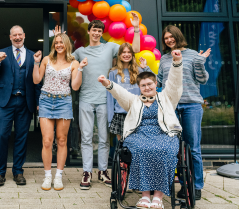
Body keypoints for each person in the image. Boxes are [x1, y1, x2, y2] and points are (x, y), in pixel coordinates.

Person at [98, 50, 184, 209]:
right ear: (139, 88)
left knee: (164, 150)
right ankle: (145, 196)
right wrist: (108, 84)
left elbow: (174, 83)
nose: (147, 87)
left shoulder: (167, 97)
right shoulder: (134, 101)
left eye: (150, 84)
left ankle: (158, 196)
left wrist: (177, 62)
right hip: (138, 134)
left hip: (164, 134)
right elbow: (121, 94)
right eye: (143, 85)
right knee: (141, 149)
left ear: (155, 84)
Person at [72, 13, 141, 190]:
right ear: (89, 32)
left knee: (104, 138)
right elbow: (64, 61)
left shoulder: (110, 47)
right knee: (86, 138)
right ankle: (87, 172)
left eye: (99, 31)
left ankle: (103, 171)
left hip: (105, 99)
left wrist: (135, 28)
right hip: (86, 99)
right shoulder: (80, 52)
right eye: (94, 30)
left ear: (102, 33)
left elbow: (132, 50)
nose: (96, 33)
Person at [159, 25, 211, 200]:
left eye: (171, 37)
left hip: (191, 106)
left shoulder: (194, 55)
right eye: (166, 38)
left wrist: (200, 62)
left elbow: (203, 80)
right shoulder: (164, 59)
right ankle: (184, 184)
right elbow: (159, 82)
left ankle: (196, 186)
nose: (169, 40)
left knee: (192, 148)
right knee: (175, 149)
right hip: (171, 107)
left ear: (177, 36)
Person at [33, 33, 87, 191]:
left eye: (61, 42)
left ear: (67, 45)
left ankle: (58, 176)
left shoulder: (74, 63)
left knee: (62, 140)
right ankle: (47, 176)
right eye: (56, 42)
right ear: (53, 45)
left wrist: (81, 69)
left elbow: (75, 86)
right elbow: (36, 80)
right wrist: (36, 63)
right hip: (46, 100)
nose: (58, 45)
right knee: (47, 141)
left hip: (64, 101)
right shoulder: (46, 60)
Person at [0, 25, 41, 186]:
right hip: (6, 102)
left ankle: (18, 171)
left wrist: (38, 102)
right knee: (1, 136)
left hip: (25, 102)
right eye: (14, 35)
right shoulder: (2, 53)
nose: (17, 37)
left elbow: (37, 82)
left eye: (20, 34)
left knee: (21, 137)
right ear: (10, 37)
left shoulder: (33, 56)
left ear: (24, 35)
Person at [107, 42, 150, 141]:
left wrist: (146, 68)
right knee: (122, 145)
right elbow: (110, 97)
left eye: (129, 52)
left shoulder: (139, 71)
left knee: (137, 142)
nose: (126, 54)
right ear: (119, 55)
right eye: (123, 52)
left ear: (132, 54)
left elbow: (154, 83)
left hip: (137, 112)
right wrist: (110, 118)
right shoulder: (113, 73)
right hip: (120, 113)